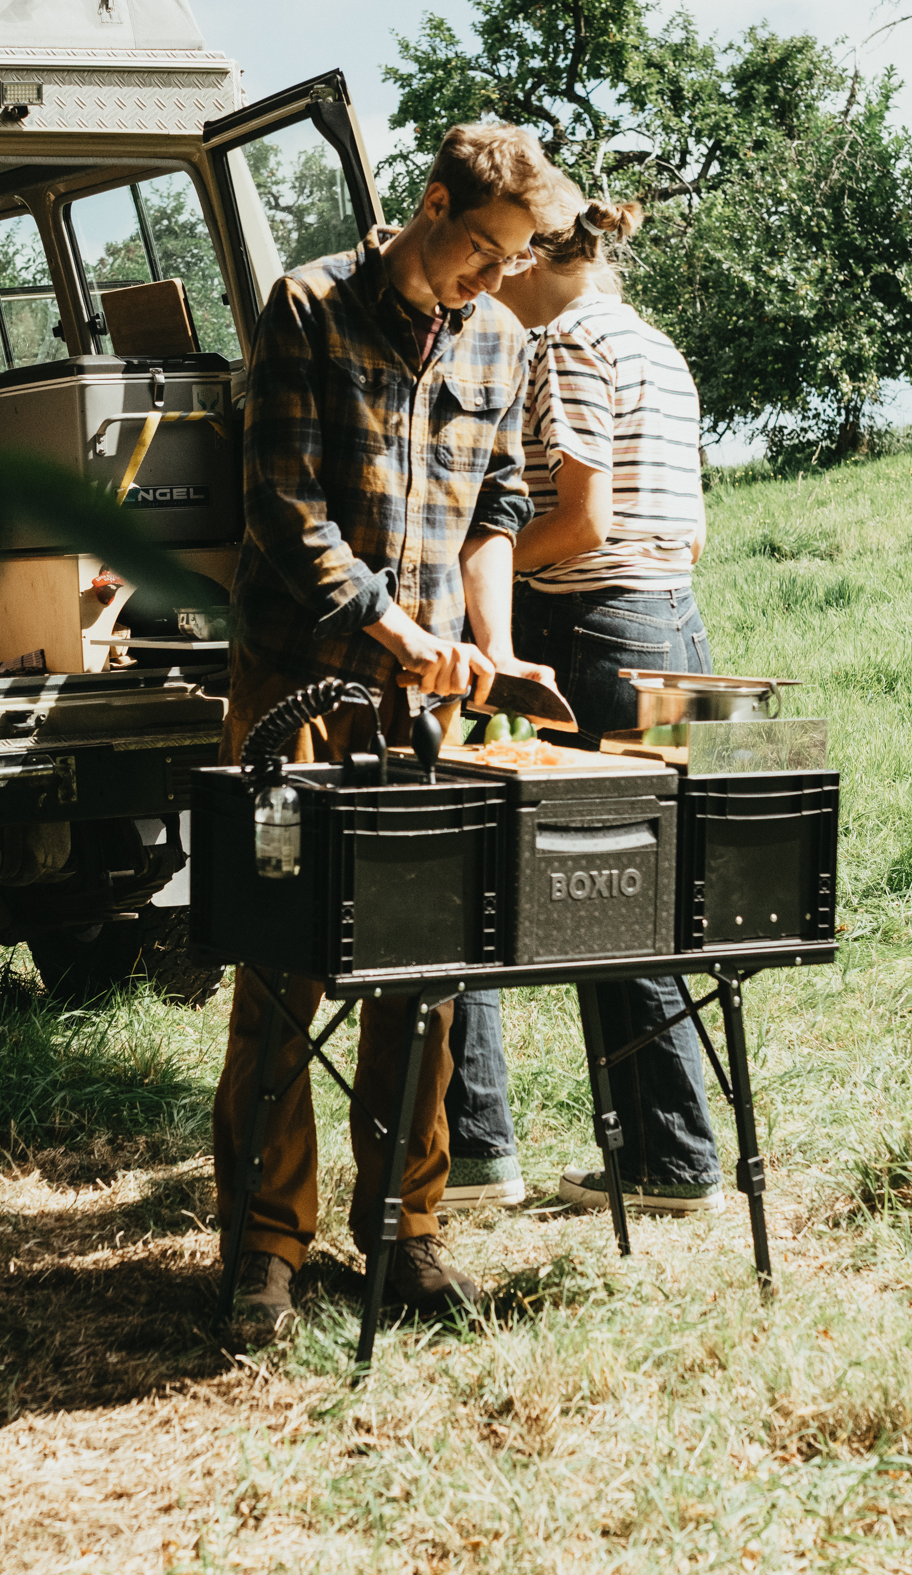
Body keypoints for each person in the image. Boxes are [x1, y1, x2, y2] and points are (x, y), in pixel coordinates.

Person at [217, 122, 567, 1337]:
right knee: (284, 967)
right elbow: (283, 508)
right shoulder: (307, 306)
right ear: (429, 206)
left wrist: (490, 644)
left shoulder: (502, 339)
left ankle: (402, 1232)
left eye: (512, 260)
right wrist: (397, 632)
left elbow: (497, 507)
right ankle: (265, 1246)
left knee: (423, 972)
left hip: (426, 711)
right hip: (297, 693)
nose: (492, 275)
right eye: (481, 248)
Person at [440, 194, 723, 1217]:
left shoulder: (561, 343)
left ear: (531, 262)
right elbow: (688, 531)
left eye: (503, 262)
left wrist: (480, 581)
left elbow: (583, 520)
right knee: (646, 892)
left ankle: (492, 1152)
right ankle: (668, 1149)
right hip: (676, 632)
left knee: (557, 883)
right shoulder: (657, 345)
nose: (491, 282)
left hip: (596, 632)